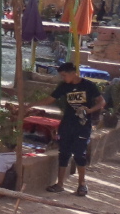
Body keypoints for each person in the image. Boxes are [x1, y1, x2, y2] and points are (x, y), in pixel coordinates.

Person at [31, 62, 104, 196]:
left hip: (82, 126)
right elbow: (50, 99)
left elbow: (102, 102)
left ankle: (82, 184)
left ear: (73, 73)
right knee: (63, 153)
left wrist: (89, 110)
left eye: (64, 75)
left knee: (79, 154)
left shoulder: (89, 85)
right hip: (67, 124)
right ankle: (60, 184)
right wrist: (31, 104)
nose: (63, 78)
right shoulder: (64, 86)